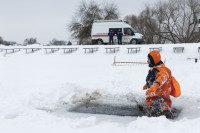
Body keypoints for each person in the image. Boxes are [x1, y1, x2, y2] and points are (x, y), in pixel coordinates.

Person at [143, 50, 174, 119]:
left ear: (153, 60)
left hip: (161, 98)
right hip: (154, 96)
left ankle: (167, 119)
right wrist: (147, 85)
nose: (147, 61)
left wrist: (154, 86)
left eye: (149, 59)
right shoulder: (155, 69)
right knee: (150, 107)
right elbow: (153, 79)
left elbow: (162, 78)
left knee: (158, 112)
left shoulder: (162, 70)